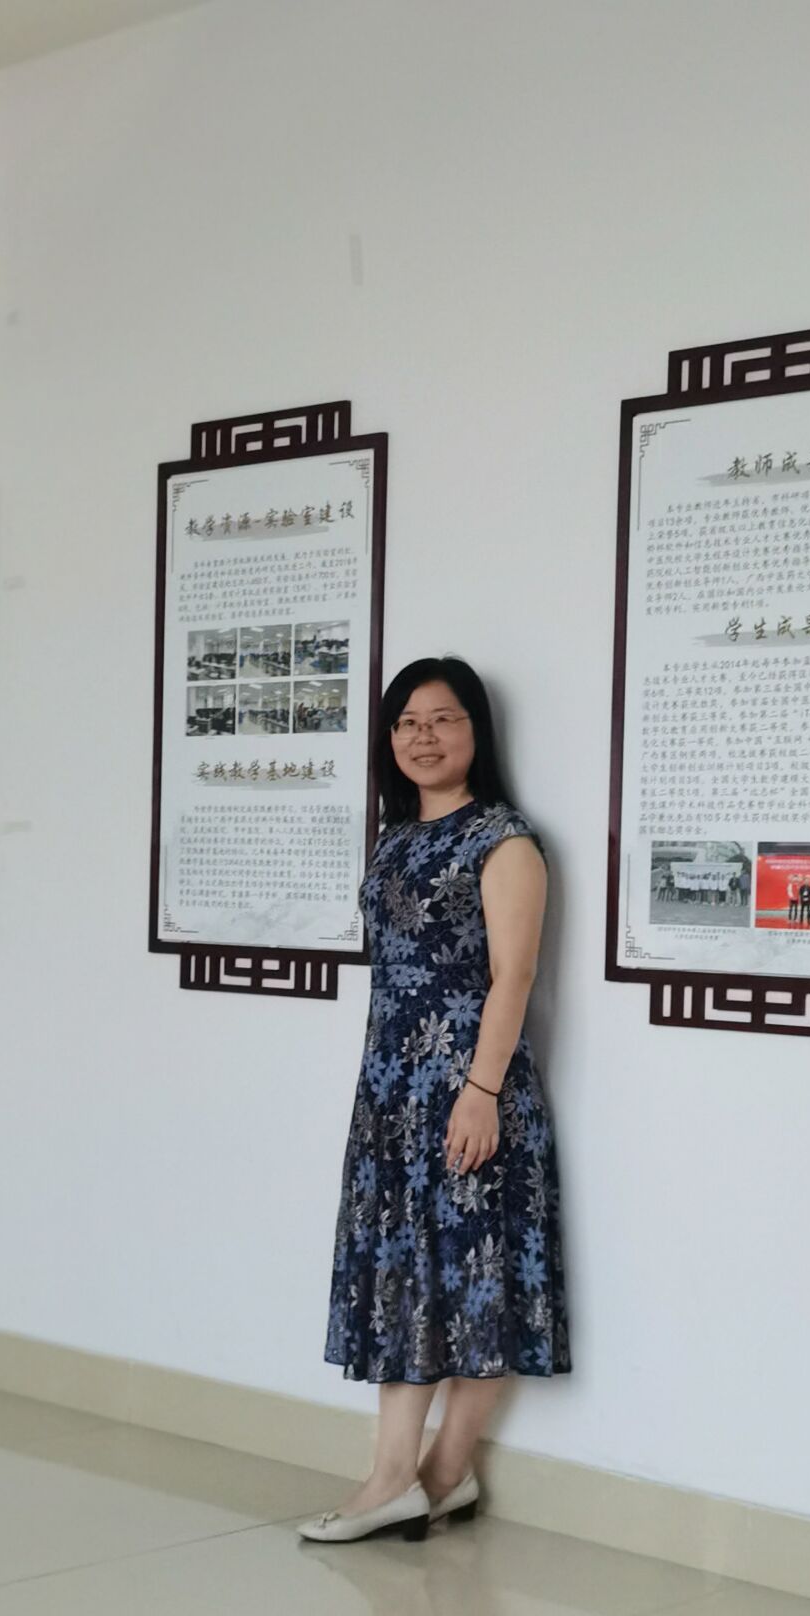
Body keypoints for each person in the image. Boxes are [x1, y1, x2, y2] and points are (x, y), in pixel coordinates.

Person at [300, 657, 570, 1545]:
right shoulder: (392, 839)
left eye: (443, 719)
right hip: (391, 1096)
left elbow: (513, 976)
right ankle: (398, 1476)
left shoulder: (504, 841)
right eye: (407, 722)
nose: (424, 737)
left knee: (477, 1281)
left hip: (470, 1092)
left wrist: (481, 1093)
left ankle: (435, 1473)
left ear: (476, 732)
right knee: (402, 1278)